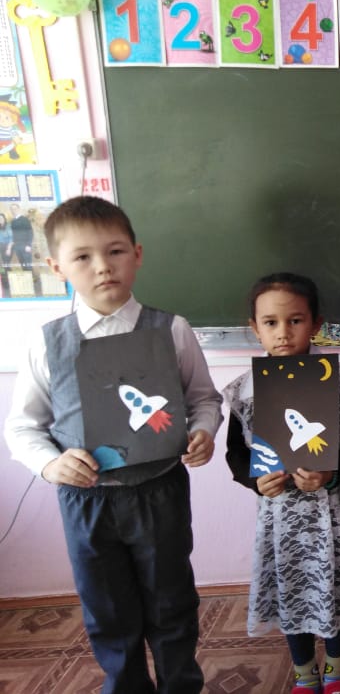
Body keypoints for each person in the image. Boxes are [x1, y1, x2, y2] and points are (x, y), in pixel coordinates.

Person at [3, 195, 222, 694]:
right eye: (82, 257)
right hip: (88, 501)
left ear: (137, 255)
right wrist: (51, 464)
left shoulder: (171, 330)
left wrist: (204, 431)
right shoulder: (47, 342)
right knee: (107, 612)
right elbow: (23, 426)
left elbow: (203, 399)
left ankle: (180, 686)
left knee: (171, 604)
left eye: (115, 251)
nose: (103, 267)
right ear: (56, 267)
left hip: (159, 492)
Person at [224, 272, 340, 694]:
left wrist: (331, 473)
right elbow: (235, 452)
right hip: (280, 518)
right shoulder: (246, 391)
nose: (283, 333)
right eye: (270, 322)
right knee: (292, 590)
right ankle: (305, 674)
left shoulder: (339, 382)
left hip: (331, 514)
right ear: (255, 328)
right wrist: (255, 481)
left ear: (316, 324)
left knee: (334, 591)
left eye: (295, 321)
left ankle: (337, 672)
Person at [9, 202, 34, 270]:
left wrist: (28, 245)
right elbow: (13, 234)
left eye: (15, 209)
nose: (13, 210)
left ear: (18, 209)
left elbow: (30, 232)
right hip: (17, 246)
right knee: (23, 265)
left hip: (25, 246)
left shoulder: (24, 219)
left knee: (28, 266)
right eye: (12, 209)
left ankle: (32, 276)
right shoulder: (13, 221)